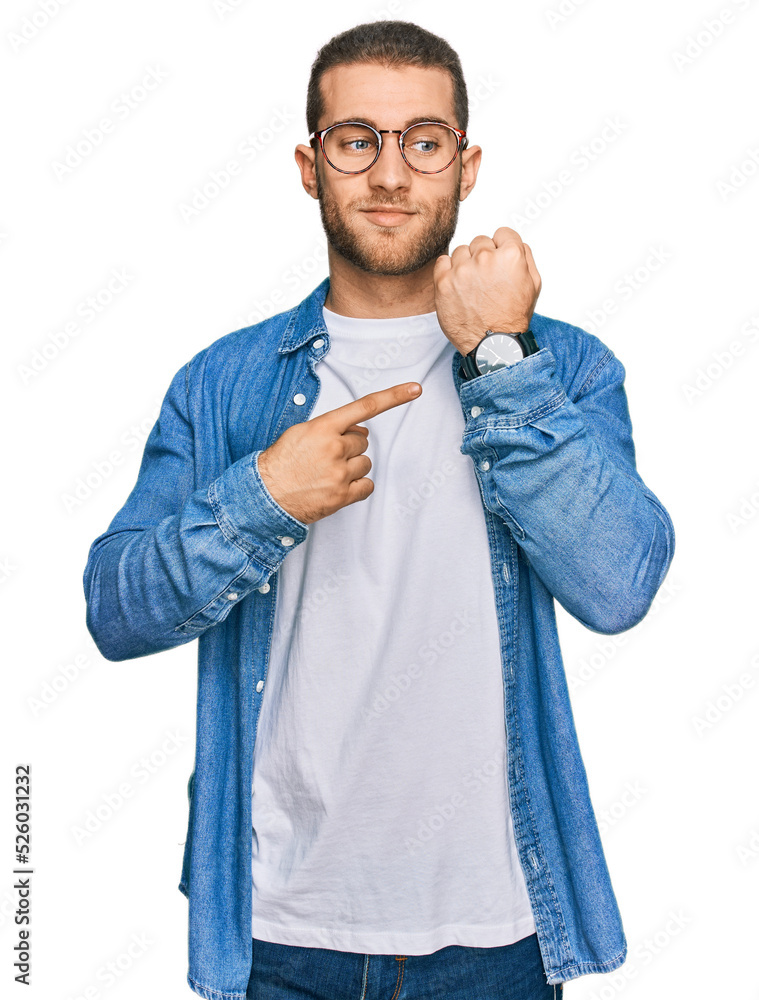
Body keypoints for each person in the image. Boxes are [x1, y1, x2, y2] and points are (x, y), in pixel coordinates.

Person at [82, 19, 676, 1000]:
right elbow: (115, 607)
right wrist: (263, 496)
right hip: (279, 936)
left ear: (466, 164)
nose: (391, 172)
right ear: (311, 167)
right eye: (356, 139)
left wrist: (500, 358)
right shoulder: (224, 383)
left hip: (498, 939)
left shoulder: (560, 366)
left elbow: (619, 583)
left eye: (424, 140)